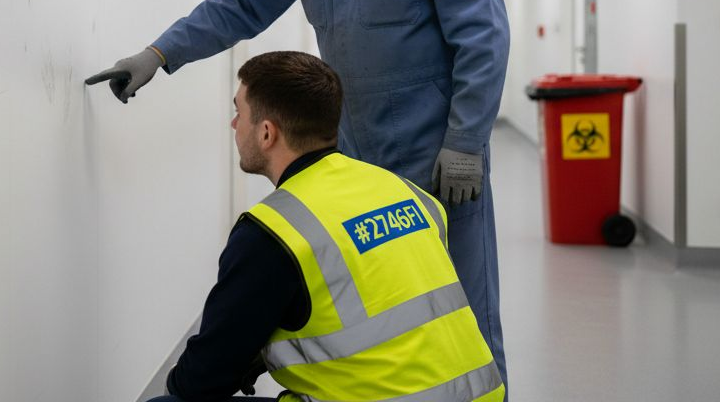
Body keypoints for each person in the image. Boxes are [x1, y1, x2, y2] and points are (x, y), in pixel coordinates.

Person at [86, 0, 510, 386]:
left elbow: (483, 35)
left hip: (438, 157)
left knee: (459, 307)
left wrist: (466, 143)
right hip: (353, 158)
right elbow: (239, 4)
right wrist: (159, 53)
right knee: (373, 308)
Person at [145, 51, 504, 402]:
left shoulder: (271, 233)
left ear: (267, 133)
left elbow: (200, 382)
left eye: (239, 112)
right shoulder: (404, 191)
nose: (234, 124)